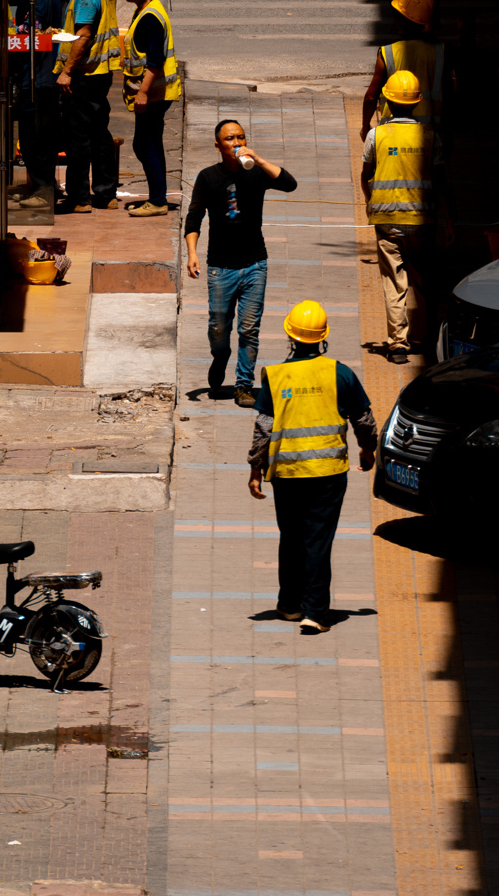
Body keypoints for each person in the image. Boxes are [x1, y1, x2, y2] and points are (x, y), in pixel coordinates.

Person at [247, 302, 377, 633]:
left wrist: (255, 470)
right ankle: (315, 612)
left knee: (290, 537)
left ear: (290, 335)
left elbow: (263, 428)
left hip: (287, 475)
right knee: (317, 539)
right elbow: (363, 419)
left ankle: (289, 604)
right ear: (323, 338)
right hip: (328, 474)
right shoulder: (341, 373)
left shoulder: (275, 376)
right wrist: (368, 449)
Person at [184, 119, 297, 406]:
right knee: (219, 328)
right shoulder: (208, 177)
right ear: (218, 145)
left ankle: (243, 385)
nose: (236, 142)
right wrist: (192, 253)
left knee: (249, 329)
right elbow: (194, 217)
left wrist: (257, 158)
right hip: (221, 267)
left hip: (255, 264)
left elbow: (290, 184)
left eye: (240, 137)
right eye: (229, 139)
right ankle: (220, 358)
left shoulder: (256, 173)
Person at [361, 69, 450, 363]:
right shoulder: (430, 136)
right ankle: (429, 337)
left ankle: (398, 344)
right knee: (427, 281)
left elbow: (366, 174)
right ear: (416, 103)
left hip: (386, 220)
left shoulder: (377, 134)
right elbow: (440, 181)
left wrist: (369, 202)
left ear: (386, 101)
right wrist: (449, 220)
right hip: (422, 221)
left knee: (394, 282)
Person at [53, 0, 121, 212]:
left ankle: (80, 197)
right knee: (99, 133)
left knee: (78, 136)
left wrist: (67, 70)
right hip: (101, 73)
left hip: (83, 75)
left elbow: (84, 35)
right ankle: (106, 195)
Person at [7, 0, 65, 212]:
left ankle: (43, 190)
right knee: (37, 136)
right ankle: (43, 186)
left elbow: (34, 34)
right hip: (40, 75)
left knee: (34, 138)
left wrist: (6, 40)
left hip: (38, 77)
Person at [121, 0, 180, 218]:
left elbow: (155, 62)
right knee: (150, 144)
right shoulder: (145, 10)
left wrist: (142, 93)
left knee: (144, 145)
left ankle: (157, 201)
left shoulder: (150, 18)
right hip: (153, 93)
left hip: (154, 94)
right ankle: (158, 197)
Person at [360, 0, 452, 137]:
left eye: (399, 16)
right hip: (431, 133)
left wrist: (365, 128)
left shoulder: (387, 53)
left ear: (403, 22)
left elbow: (371, 97)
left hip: (392, 133)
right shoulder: (440, 52)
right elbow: (449, 94)